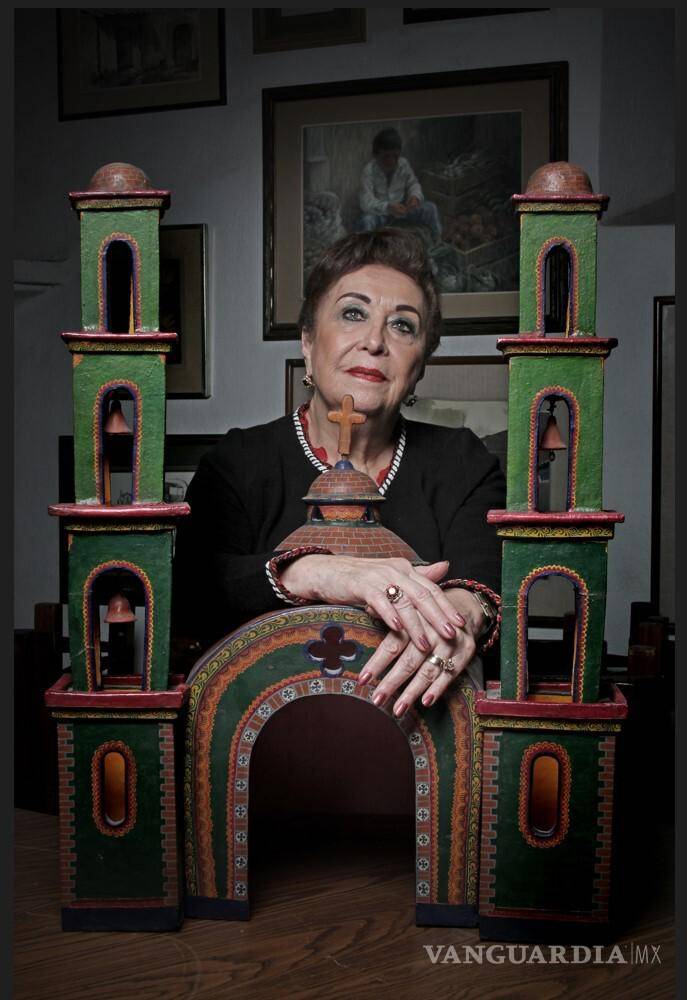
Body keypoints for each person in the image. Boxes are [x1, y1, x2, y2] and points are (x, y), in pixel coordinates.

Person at [173, 228, 505, 717]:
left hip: (420, 733)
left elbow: (485, 587)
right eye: (353, 314)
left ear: (420, 365)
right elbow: (191, 593)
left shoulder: (463, 461)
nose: (374, 342)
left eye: (403, 326)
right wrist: (318, 571)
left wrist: (454, 618)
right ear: (308, 341)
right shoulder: (237, 461)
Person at [357, 128, 442, 244]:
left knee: (430, 208)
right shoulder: (368, 171)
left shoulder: (403, 164)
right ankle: (368, 251)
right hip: (381, 214)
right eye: (386, 156)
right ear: (376, 155)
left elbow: (413, 184)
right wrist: (388, 207)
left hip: (402, 211)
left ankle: (438, 241)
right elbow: (366, 202)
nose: (392, 161)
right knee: (366, 220)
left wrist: (415, 197)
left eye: (395, 156)